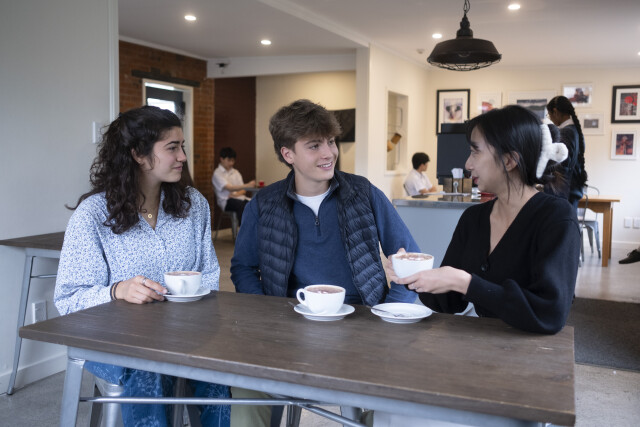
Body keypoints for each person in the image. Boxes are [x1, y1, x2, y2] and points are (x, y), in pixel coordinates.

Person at [229, 99, 419, 426]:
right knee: (246, 385)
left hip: (363, 324)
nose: (329, 153)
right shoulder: (264, 203)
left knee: (393, 398)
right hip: (288, 326)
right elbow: (243, 267)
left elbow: (410, 260)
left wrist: (388, 314)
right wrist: (267, 315)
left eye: (331, 142)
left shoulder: (363, 193)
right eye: (314, 145)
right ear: (288, 154)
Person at [54, 106, 230, 427]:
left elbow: (209, 276)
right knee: (148, 368)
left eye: (182, 146)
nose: (183, 157)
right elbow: (68, 300)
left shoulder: (194, 205)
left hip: (183, 334)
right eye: (172, 148)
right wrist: (117, 291)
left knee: (217, 369)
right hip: (111, 340)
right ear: (138, 154)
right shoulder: (92, 215)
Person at [388, 105, 581, 335]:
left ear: (509, 160)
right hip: (481, 347)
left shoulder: (556, 218)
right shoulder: (474, 218)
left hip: (532, 351)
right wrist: (411, 274)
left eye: (475, 152)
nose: (468, 164)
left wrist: (465, 282)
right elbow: (448, 302)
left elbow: (549, 314)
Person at [546, 95, 588, 212]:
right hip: (571, 189)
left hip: (563, 191)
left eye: (549, 115)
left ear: (555, 112)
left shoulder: (566, 132)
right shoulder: (575, 130)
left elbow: (561, 164)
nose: (550, 119)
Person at [211, 147, 255, 224]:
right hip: (226, 201)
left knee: (254, 204)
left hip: (239, 198)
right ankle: (243, 230)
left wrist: (236, 195)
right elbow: (229, 188)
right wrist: (247, 185)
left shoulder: (235, 172)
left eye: (233, 160)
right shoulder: (217, 173)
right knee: (242, 206)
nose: (231, 163)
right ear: (221, 159)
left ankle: (253, 229)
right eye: (229, 160)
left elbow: (243, 190)